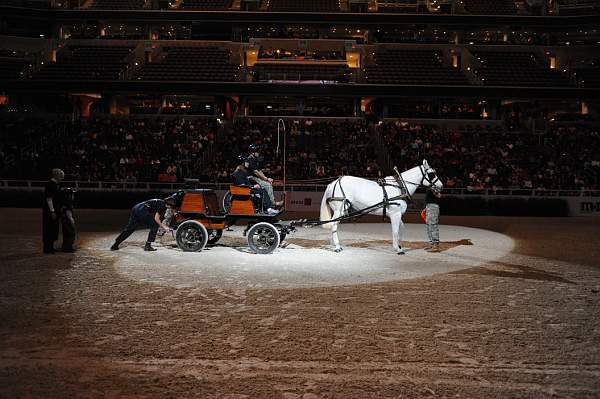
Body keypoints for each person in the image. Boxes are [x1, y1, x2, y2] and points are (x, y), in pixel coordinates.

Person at [110, 197, 176, 251]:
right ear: (168, 205)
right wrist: (164, 227)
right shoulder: (163, 206)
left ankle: (116, 244)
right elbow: (156, 219)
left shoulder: (161, 201)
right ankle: (148, 245)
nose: (170, 208)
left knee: (130, 229)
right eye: (170, 206)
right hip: (142, 211)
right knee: (154, 225)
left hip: (136, 207)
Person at [42, 168, 64, 254]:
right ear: (56, 175)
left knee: (53, 228)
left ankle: (50, 247)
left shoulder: (55, 184)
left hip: (54, 210)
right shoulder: (50, 185)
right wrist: (52, 211)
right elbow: (49, 199)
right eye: (61, 176)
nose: (62, 178)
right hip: (50, 211)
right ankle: (47, 248)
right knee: (49, 228)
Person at [60, 187, 76, 252]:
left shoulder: (64, 201)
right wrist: (71, 220)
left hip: (64, 219)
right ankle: (68, 247)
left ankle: (65, 246)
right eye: (72, 194)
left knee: (66, 233)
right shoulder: (68, 202)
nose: (73, 196)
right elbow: (68, 212)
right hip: (67, 219)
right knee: (71, 233)